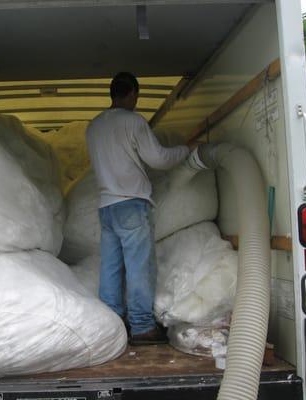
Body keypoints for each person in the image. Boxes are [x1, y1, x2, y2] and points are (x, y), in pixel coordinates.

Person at [86, 72, 190, 345]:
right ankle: (143, 327)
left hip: (106, 206)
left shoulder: (94, 126)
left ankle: (111, 325)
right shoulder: (133, 122)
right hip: (131, 203)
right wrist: (185, 150)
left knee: (110, 267)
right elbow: (158, 159)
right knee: (138, 267)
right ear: (132, 93)